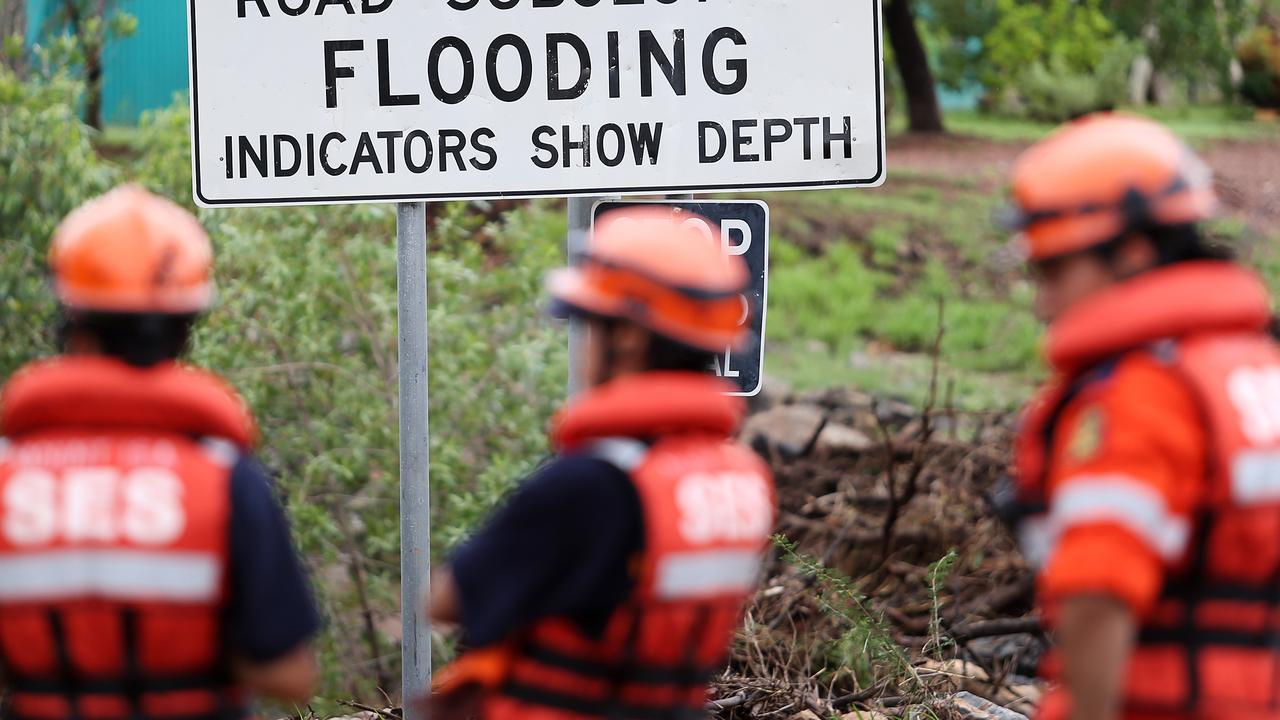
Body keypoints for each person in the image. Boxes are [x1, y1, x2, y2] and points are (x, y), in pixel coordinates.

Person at [428, 206, 777, 720]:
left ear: (629, 337)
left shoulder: (591, 485)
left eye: (589, 323)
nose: (582, 345)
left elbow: (444, 601)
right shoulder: (744, 478)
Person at [0, 185, 321, 720]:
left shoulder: (9, 472)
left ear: (71, 320)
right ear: (185, 328)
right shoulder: (223, 476)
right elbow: (290, 675)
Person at [1000, 113, 1280, 720]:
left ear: (1130, 253)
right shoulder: (1254, 368)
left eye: (1053, 272)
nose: (1044, 302)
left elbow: (1099, 594)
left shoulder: (1141, 392)